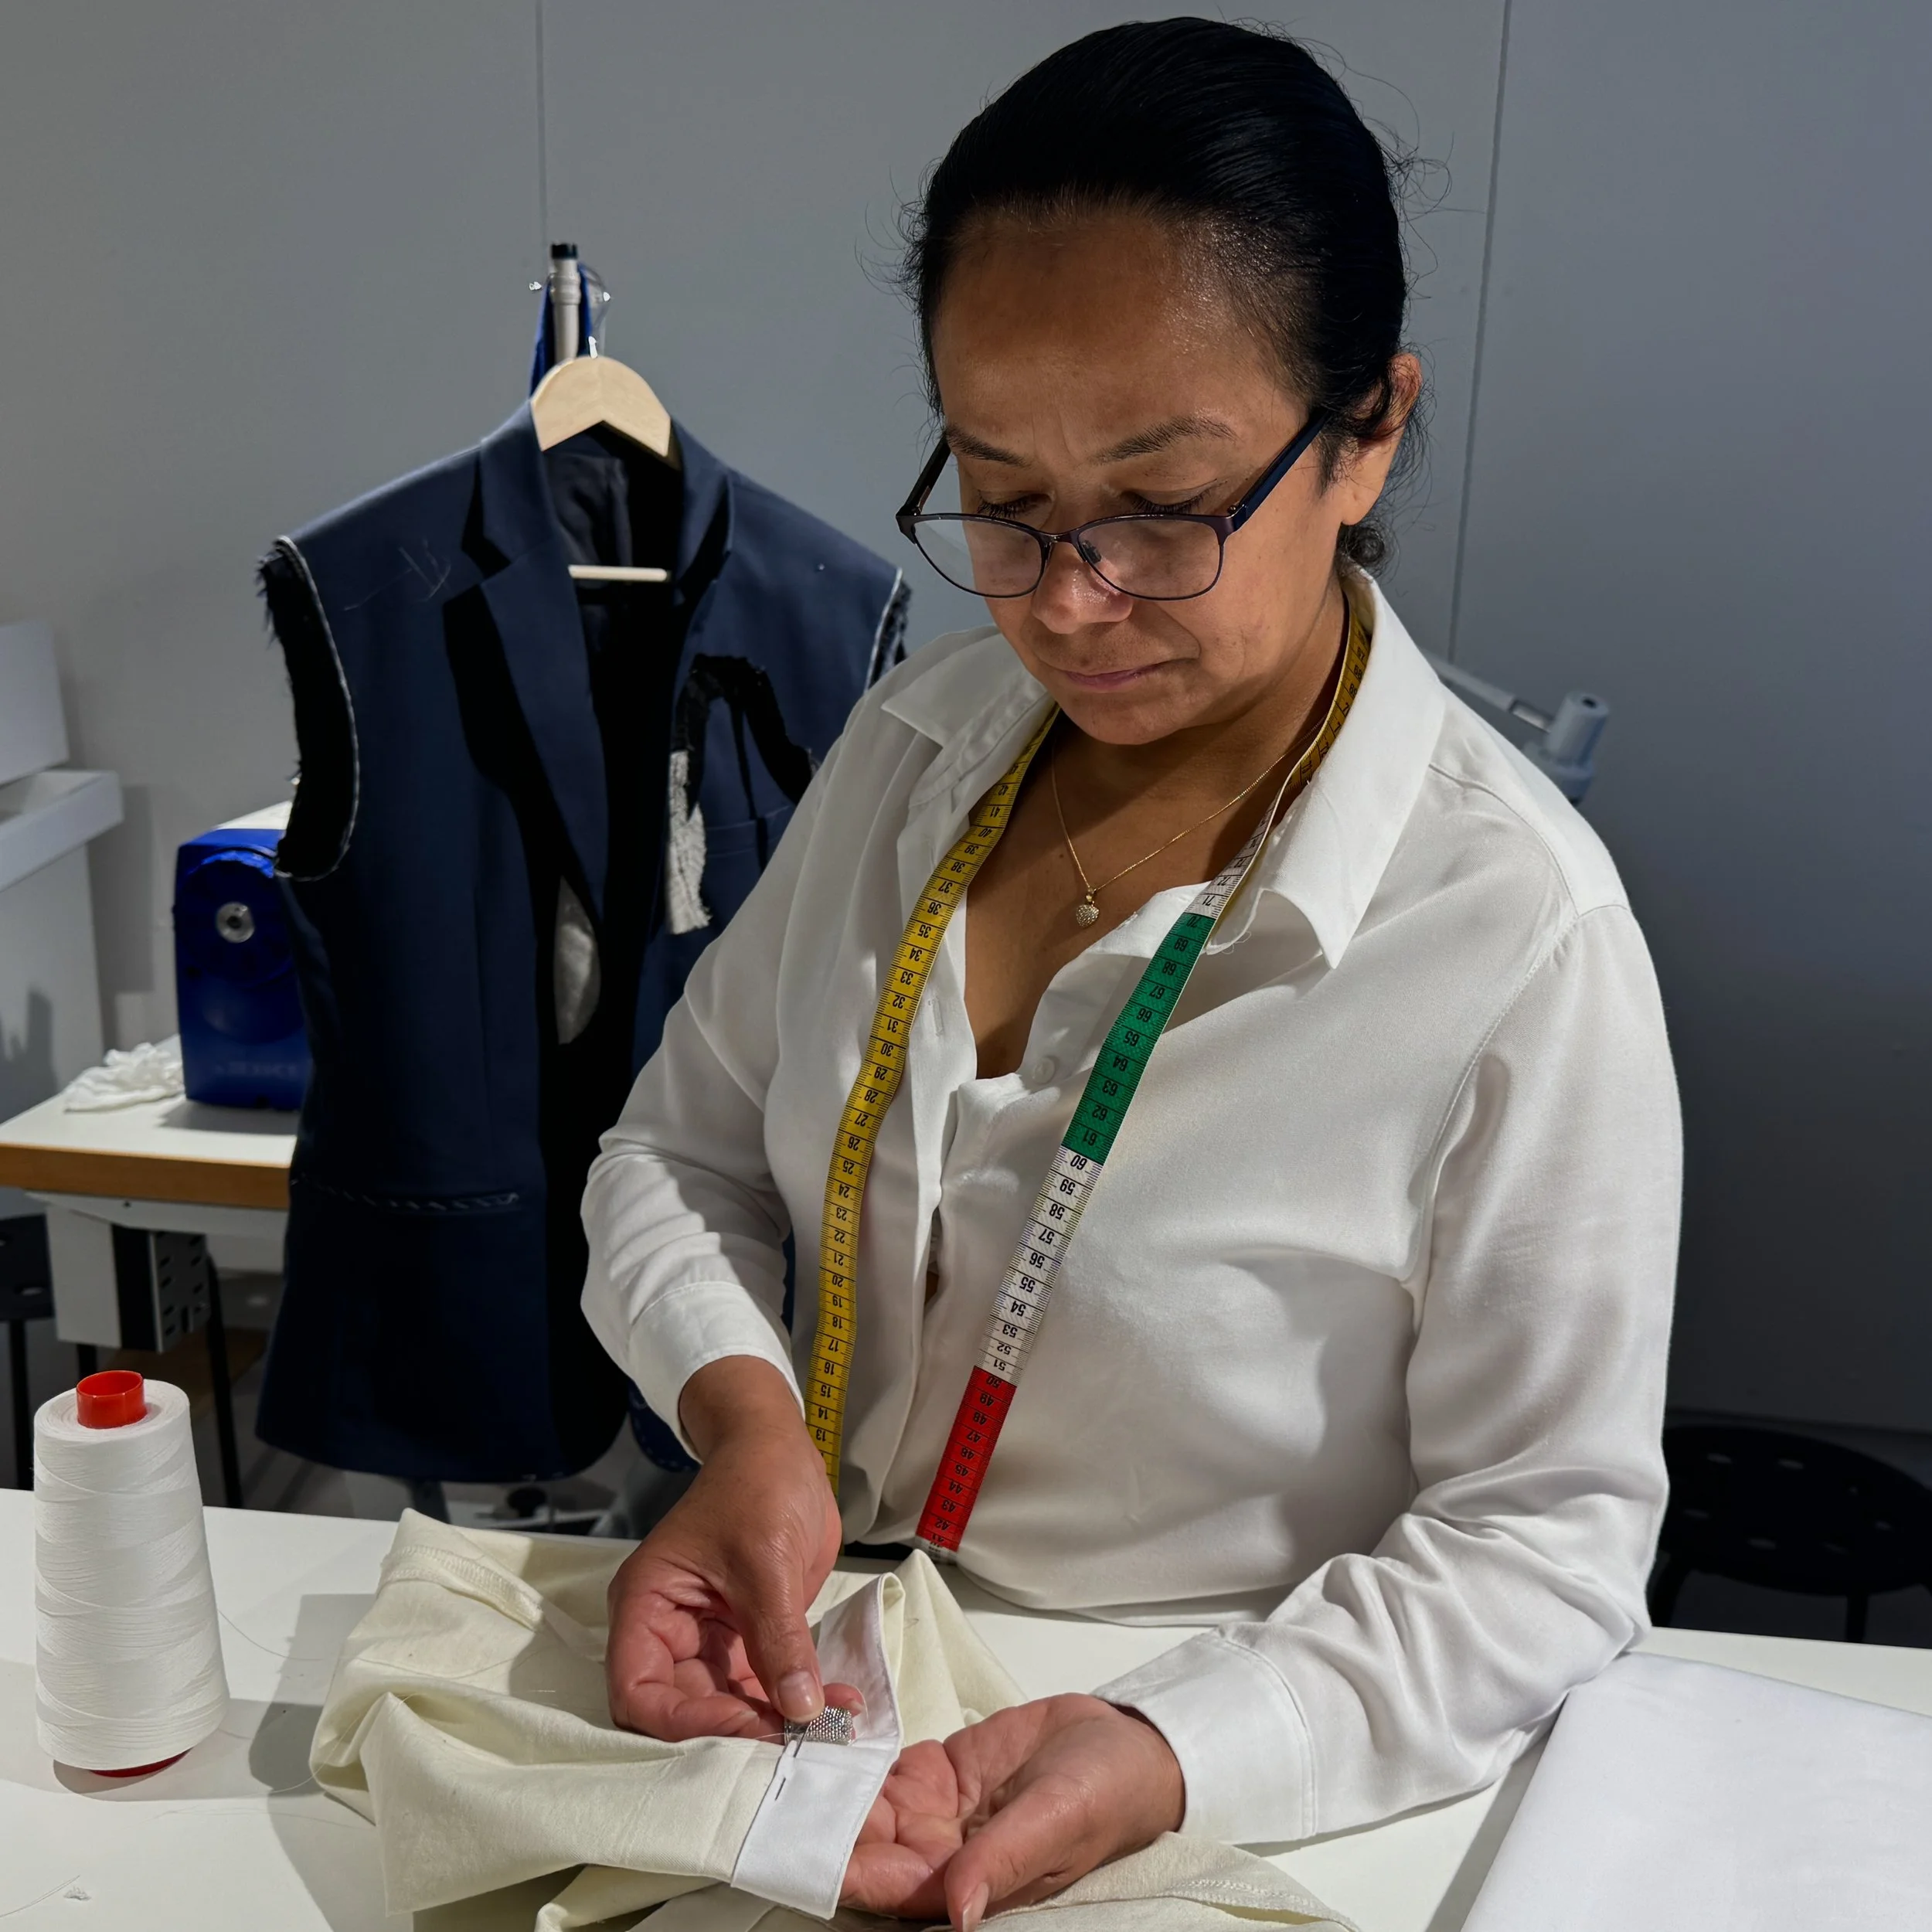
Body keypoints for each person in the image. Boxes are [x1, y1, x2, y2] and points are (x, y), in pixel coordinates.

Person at [581, 19, 1680, 1931]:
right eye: (1002, 499)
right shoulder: (914, 754)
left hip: (1188, 1790)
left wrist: (1174, 1745)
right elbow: (672, 1160)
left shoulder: (1510, 941)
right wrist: (746, 1416)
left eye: (1162, 507)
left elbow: (1540, 1547)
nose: (1066, 598)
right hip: (786, 1730)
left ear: (1367, 432)